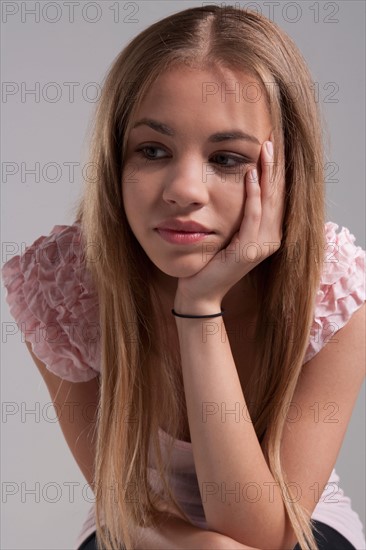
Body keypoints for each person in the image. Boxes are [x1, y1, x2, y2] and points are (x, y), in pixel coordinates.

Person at [1, 5, 365, 550]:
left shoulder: (332, 287)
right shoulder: (64, 287)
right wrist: (205, 547)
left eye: (226, 158)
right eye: (152, 150)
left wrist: (200, 305)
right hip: (139, 527)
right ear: (114, 162)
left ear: (287, 170)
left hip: (291, 519)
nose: (184, 189)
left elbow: (264, 535)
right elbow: (121, 499)